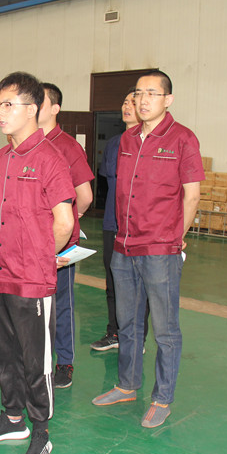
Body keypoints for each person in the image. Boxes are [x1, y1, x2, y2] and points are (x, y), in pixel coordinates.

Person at [91, 70, 203, 429]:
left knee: (165, 329)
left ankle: (162, 398)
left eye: (152, 93)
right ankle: (126, 385)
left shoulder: (183, 138)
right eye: (139, 93)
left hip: (160, 249)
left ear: (168, 100)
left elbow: (192, 195)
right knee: (128, 322)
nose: (143, 100)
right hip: (124, 245)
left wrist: (175, 238)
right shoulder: (126, 140)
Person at [0, 72, 74, 454]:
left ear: (32, 109)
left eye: (9, 104)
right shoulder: (1, 158)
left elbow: (64, 221)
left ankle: (41, 430)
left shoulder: (50, 158)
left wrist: (41, 258)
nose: (0, 112)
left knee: (36, 361)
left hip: (31, 280)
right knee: (3, 354)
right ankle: (13, 418)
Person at [37, 83, 95, 389]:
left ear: (55, 109)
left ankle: (65, 361)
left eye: (41, 102)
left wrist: (69, 222)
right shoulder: (24, 144)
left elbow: (84, 196)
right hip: (29, 242)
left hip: (58, 243)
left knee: (61, 304)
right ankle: (37, 358)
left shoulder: (68, 146)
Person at [90, 89, 151, 352]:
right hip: (112, 223)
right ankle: (114, 332)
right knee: (113, 281)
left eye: (133, 103)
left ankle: (137, 337)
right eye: (125, 102)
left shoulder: (149, 144)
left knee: (140, 284)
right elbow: (109, 180)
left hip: (140, 226)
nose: (128, 107)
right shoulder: (114, 144)